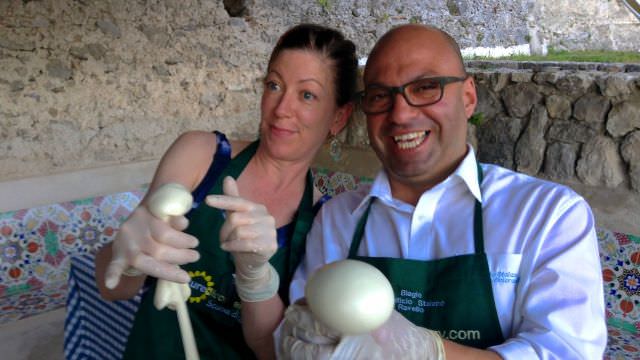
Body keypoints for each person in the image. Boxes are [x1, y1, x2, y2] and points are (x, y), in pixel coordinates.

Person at [278, 24, 607, 359]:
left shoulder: (548, 216)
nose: (401, 113)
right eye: (379, 96)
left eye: (425, 88)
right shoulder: (337, 221)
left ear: (467, 97)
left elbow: (568, 353)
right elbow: (302, 334)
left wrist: (430, 353)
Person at [94, 23, 357, 359]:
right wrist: (126, 256)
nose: (281, 109)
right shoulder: (202, 156)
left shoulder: (323, 221)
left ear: (338, 116)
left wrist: (255, 277)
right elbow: (112, 288)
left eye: (307, 95)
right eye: (274, 85)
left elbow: (275, 349)